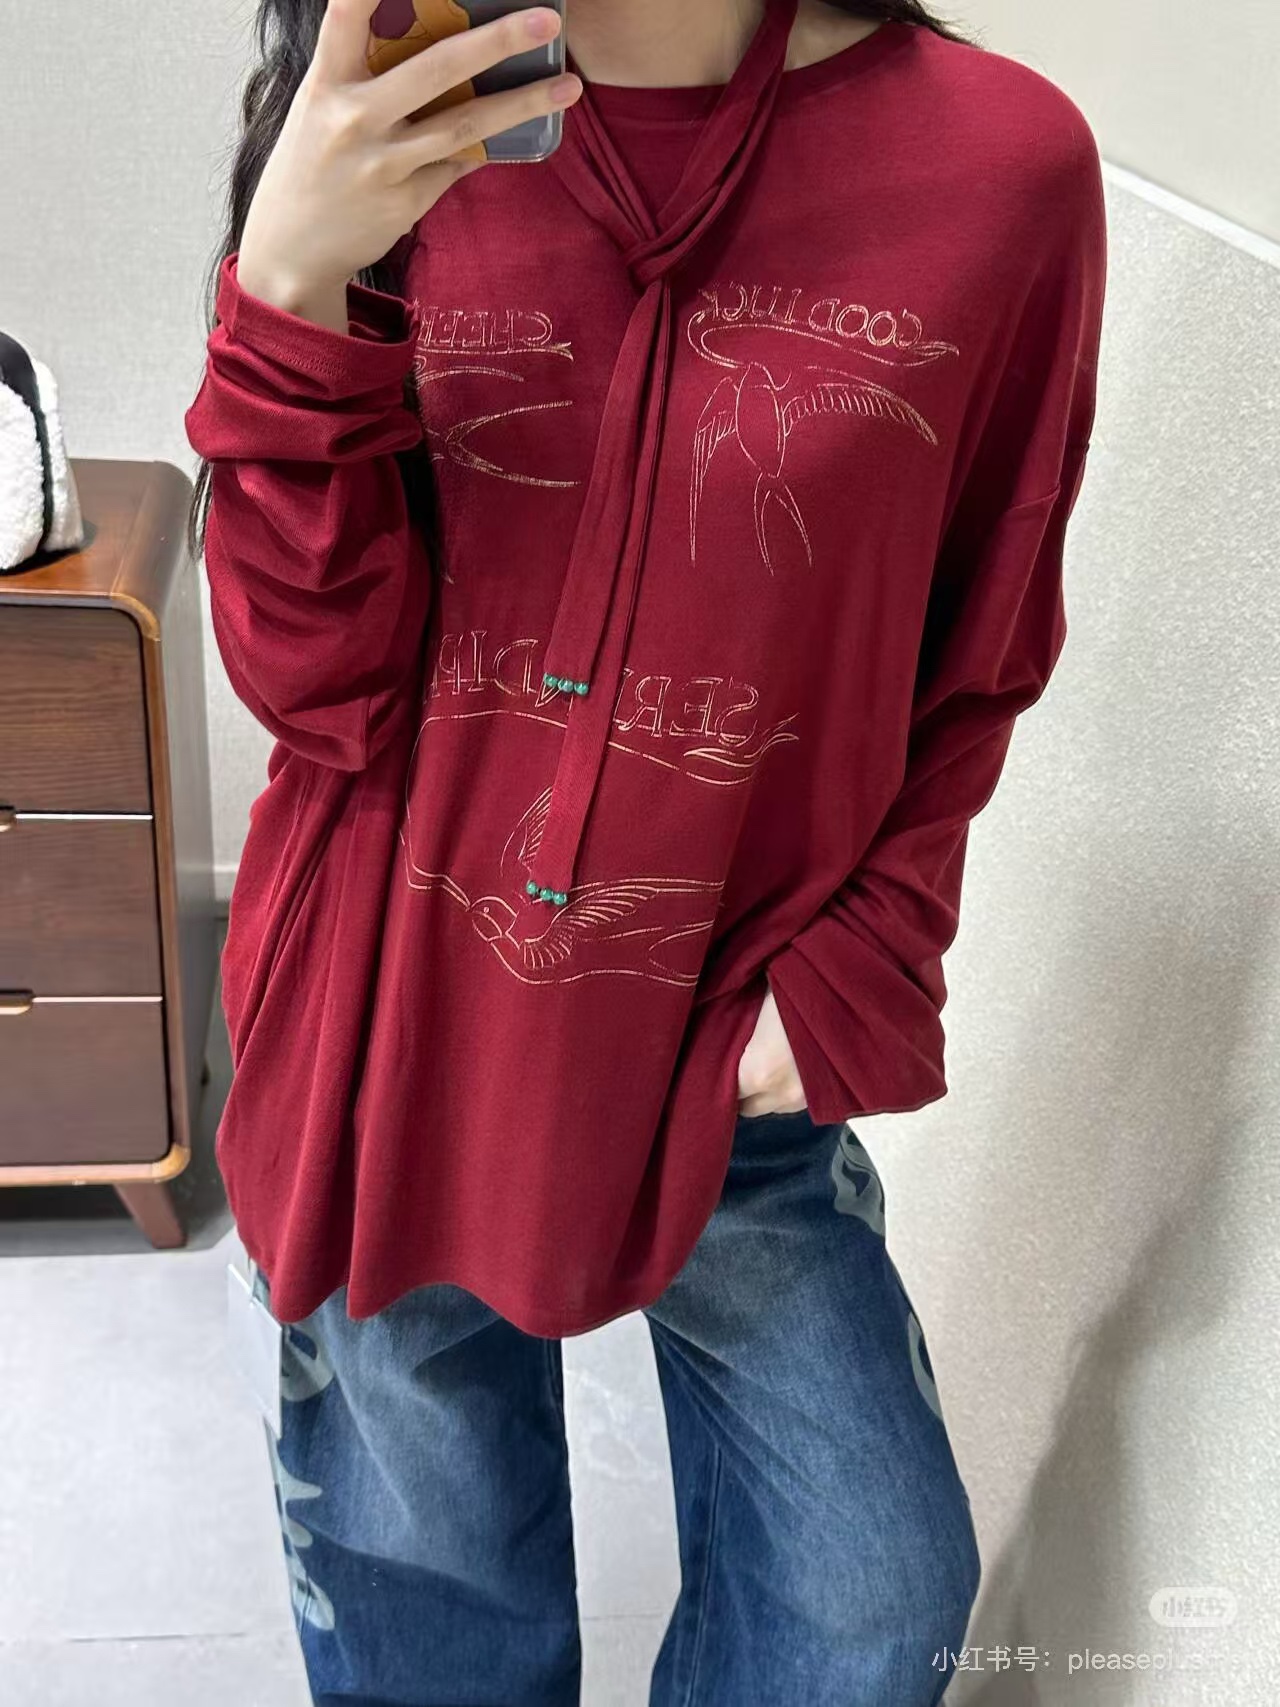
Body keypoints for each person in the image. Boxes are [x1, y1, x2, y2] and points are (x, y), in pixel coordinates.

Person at [184, 0, 1107, 1700]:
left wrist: (861, 959)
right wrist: (292, 283)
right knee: (431, 1601)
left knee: (872, 1591)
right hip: (390, 1026)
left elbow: (982, 638)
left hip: (726, 1029)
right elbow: (313, 686)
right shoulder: (389, 111)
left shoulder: (1001, 167)